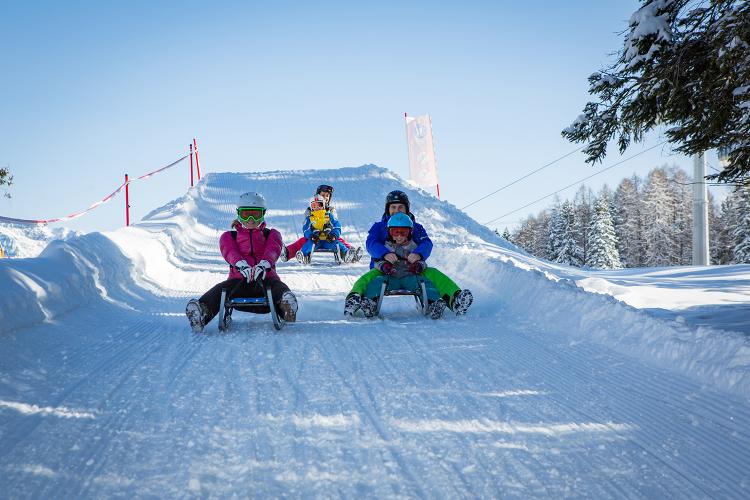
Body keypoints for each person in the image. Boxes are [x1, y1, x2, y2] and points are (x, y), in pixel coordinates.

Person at [346, 190, 472, 317]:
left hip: (412, 269)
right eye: (393, 207)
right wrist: (384, 254)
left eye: (401, 207)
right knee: (369, 279)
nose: (397, 210)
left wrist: (418, 255)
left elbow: (426, 243)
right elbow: (371, 243)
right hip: (385, 269)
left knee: (433, 274)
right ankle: (355, 299)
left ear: (407, 209)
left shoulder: (416, 227)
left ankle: (454, 299)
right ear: (387, 209)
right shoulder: (379, 227)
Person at [185, 192, 298, 332]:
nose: (251, 219)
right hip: (239, 283)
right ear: (239, 214)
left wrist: (263, 265)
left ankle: (286, 308)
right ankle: (202, 312)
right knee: (222, 289)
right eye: (246, 215)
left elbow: (273, 249)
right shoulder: (229, 236)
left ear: (263, 214)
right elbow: (229, 251)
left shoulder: (272, 234)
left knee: (277, 286)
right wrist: (241, 265)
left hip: (265, 280)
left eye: (255, 215)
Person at [279, 184, 362, 263]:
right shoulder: (310, 211)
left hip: (329, 237)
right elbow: (306, 226)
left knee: (339, 241)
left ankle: (350, 254)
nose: (325, 198)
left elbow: (336, 224)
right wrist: (311, 233)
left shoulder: (331, 211)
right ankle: (290, 253)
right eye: (323, 195)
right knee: (303, 241)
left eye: (327, 196)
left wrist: (333, 234)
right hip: (315, 238)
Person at [294, 194, 350, 264]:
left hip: (328, 240)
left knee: (338, 244)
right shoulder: (310, 218)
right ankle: (303, 256)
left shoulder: (329, 216)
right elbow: (305, 229)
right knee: (308, 245)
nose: (317, 207)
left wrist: (334, 235)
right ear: (311, 208)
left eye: (319, 205)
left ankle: (346, 254)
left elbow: (337, 226)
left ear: (323, 205)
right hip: (315, 240)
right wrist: (311, 236)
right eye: (314, 206)